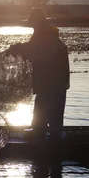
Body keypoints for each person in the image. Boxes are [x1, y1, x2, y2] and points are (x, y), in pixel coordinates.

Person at [7, 7, 70, 141]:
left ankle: (48, 140)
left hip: (53, 82)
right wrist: (19, 48)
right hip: (51, 82)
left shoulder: (46, 35)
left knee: (48, 111)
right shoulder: (44, 33)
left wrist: (19, 48)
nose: (33, 27)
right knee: (45, 110)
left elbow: (35, 50)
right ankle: (43, 135)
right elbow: (33, 49)